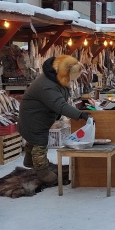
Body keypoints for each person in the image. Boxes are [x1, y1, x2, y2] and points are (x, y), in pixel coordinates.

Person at [18, 55, 90, 186]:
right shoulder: (47, 86)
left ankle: (29, 161)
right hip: (34, 117)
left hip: (39, 115)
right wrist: (80, 115)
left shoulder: (56, 77)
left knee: (33, 139)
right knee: (39, 142)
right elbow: (60, 104)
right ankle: (42, 171)